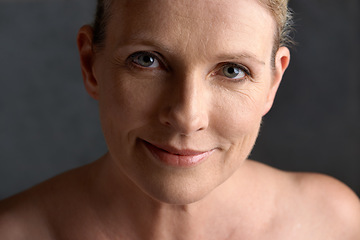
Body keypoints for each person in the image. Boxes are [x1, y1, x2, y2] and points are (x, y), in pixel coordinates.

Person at [1, 0, 359, 239]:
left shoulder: (333, 224)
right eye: (146, 60)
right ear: (90, 64)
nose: (187, 117)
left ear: (273, 82)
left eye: (232, 70)